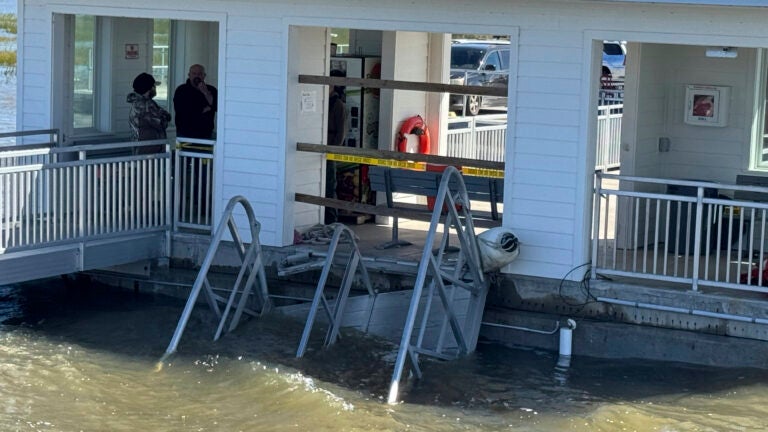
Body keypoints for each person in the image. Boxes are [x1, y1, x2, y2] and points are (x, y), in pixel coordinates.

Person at [127, 72, 171, 154]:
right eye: (154, 86)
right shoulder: (146, 106)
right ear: (149, 88)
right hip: (149, 150)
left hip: (142, 148)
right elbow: (161, 123)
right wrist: (164, 116)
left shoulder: (138, 103)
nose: (155, 89)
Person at [325, 69, 347, 224]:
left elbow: (341, 133)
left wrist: (333, 150)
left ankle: (332, 219)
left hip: (330, 149)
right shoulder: (324, 102)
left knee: (330, 186)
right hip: (321, 146)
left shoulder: (339, 105)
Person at [173, 64, 218, 139]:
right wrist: (205, 108)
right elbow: (183, 111)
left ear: (204, 75)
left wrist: (206, 93)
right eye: (194, 73)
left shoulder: (212, 89)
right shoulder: (181, 90)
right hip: (185, 134)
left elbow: (217, 107)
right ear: (189, 75)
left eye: (200, 74)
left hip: (206, 134)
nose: (197, 76)